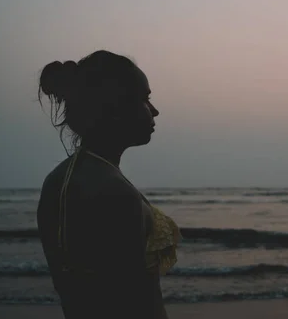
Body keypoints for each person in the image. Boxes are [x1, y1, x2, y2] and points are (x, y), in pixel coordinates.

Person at [36, 50, 181, 319]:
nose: (155, 111)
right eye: (145, 100)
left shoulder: (59, 180)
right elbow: (132, 301)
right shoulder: (113, 191)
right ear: (114, 108)